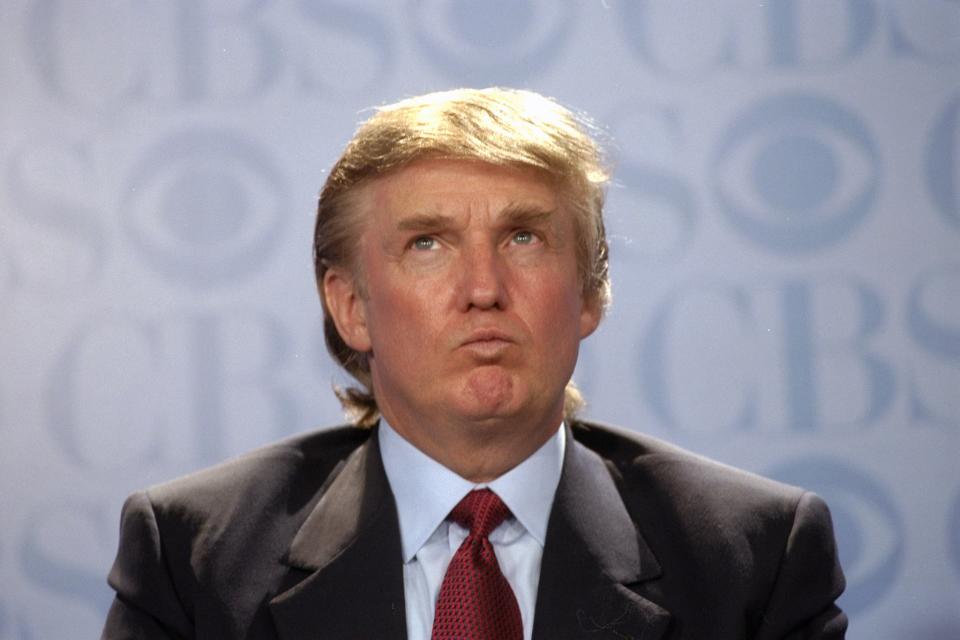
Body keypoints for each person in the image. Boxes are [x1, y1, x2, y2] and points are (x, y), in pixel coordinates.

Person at [101, 88, 847, 639]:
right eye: (428, 243)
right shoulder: (192, 557)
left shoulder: (755, 556)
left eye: (524, 238)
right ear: (351, 306)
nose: (484, 289)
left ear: (589, 292)